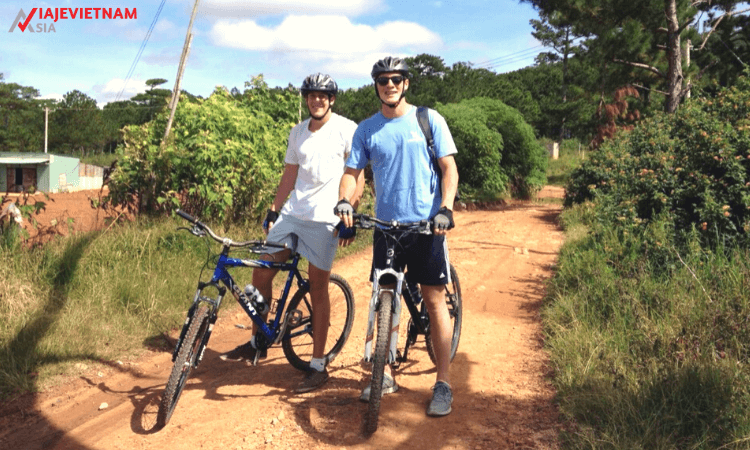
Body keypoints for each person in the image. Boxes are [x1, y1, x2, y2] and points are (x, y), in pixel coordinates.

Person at [220, 73, 361, 394]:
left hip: (325, 219)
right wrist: (274, 208)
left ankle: (318, 364)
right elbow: (289, 174)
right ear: (306, 99)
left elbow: (357, 175)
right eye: (311, 95)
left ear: (332, 99)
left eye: (322, 96)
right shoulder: (297, 132)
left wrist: (349, 212)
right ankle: (257, 341)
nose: (317, 100)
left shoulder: (346, 129)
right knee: (260, 273)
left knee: (318, 288)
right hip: (293, 215)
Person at [335, 56, 459, 416]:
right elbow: (352, 173)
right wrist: (344, 202)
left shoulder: (428, 119)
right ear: (376, 85)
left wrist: (446, 208)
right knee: (382, 298)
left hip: (425, 227)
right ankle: (384, 373)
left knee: (434, 300)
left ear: (406, 84)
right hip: (386, 229)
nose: (389, 85)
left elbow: (449, 168)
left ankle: (443, 383)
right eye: (382, 80)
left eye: (395, 79)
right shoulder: (367, 129)